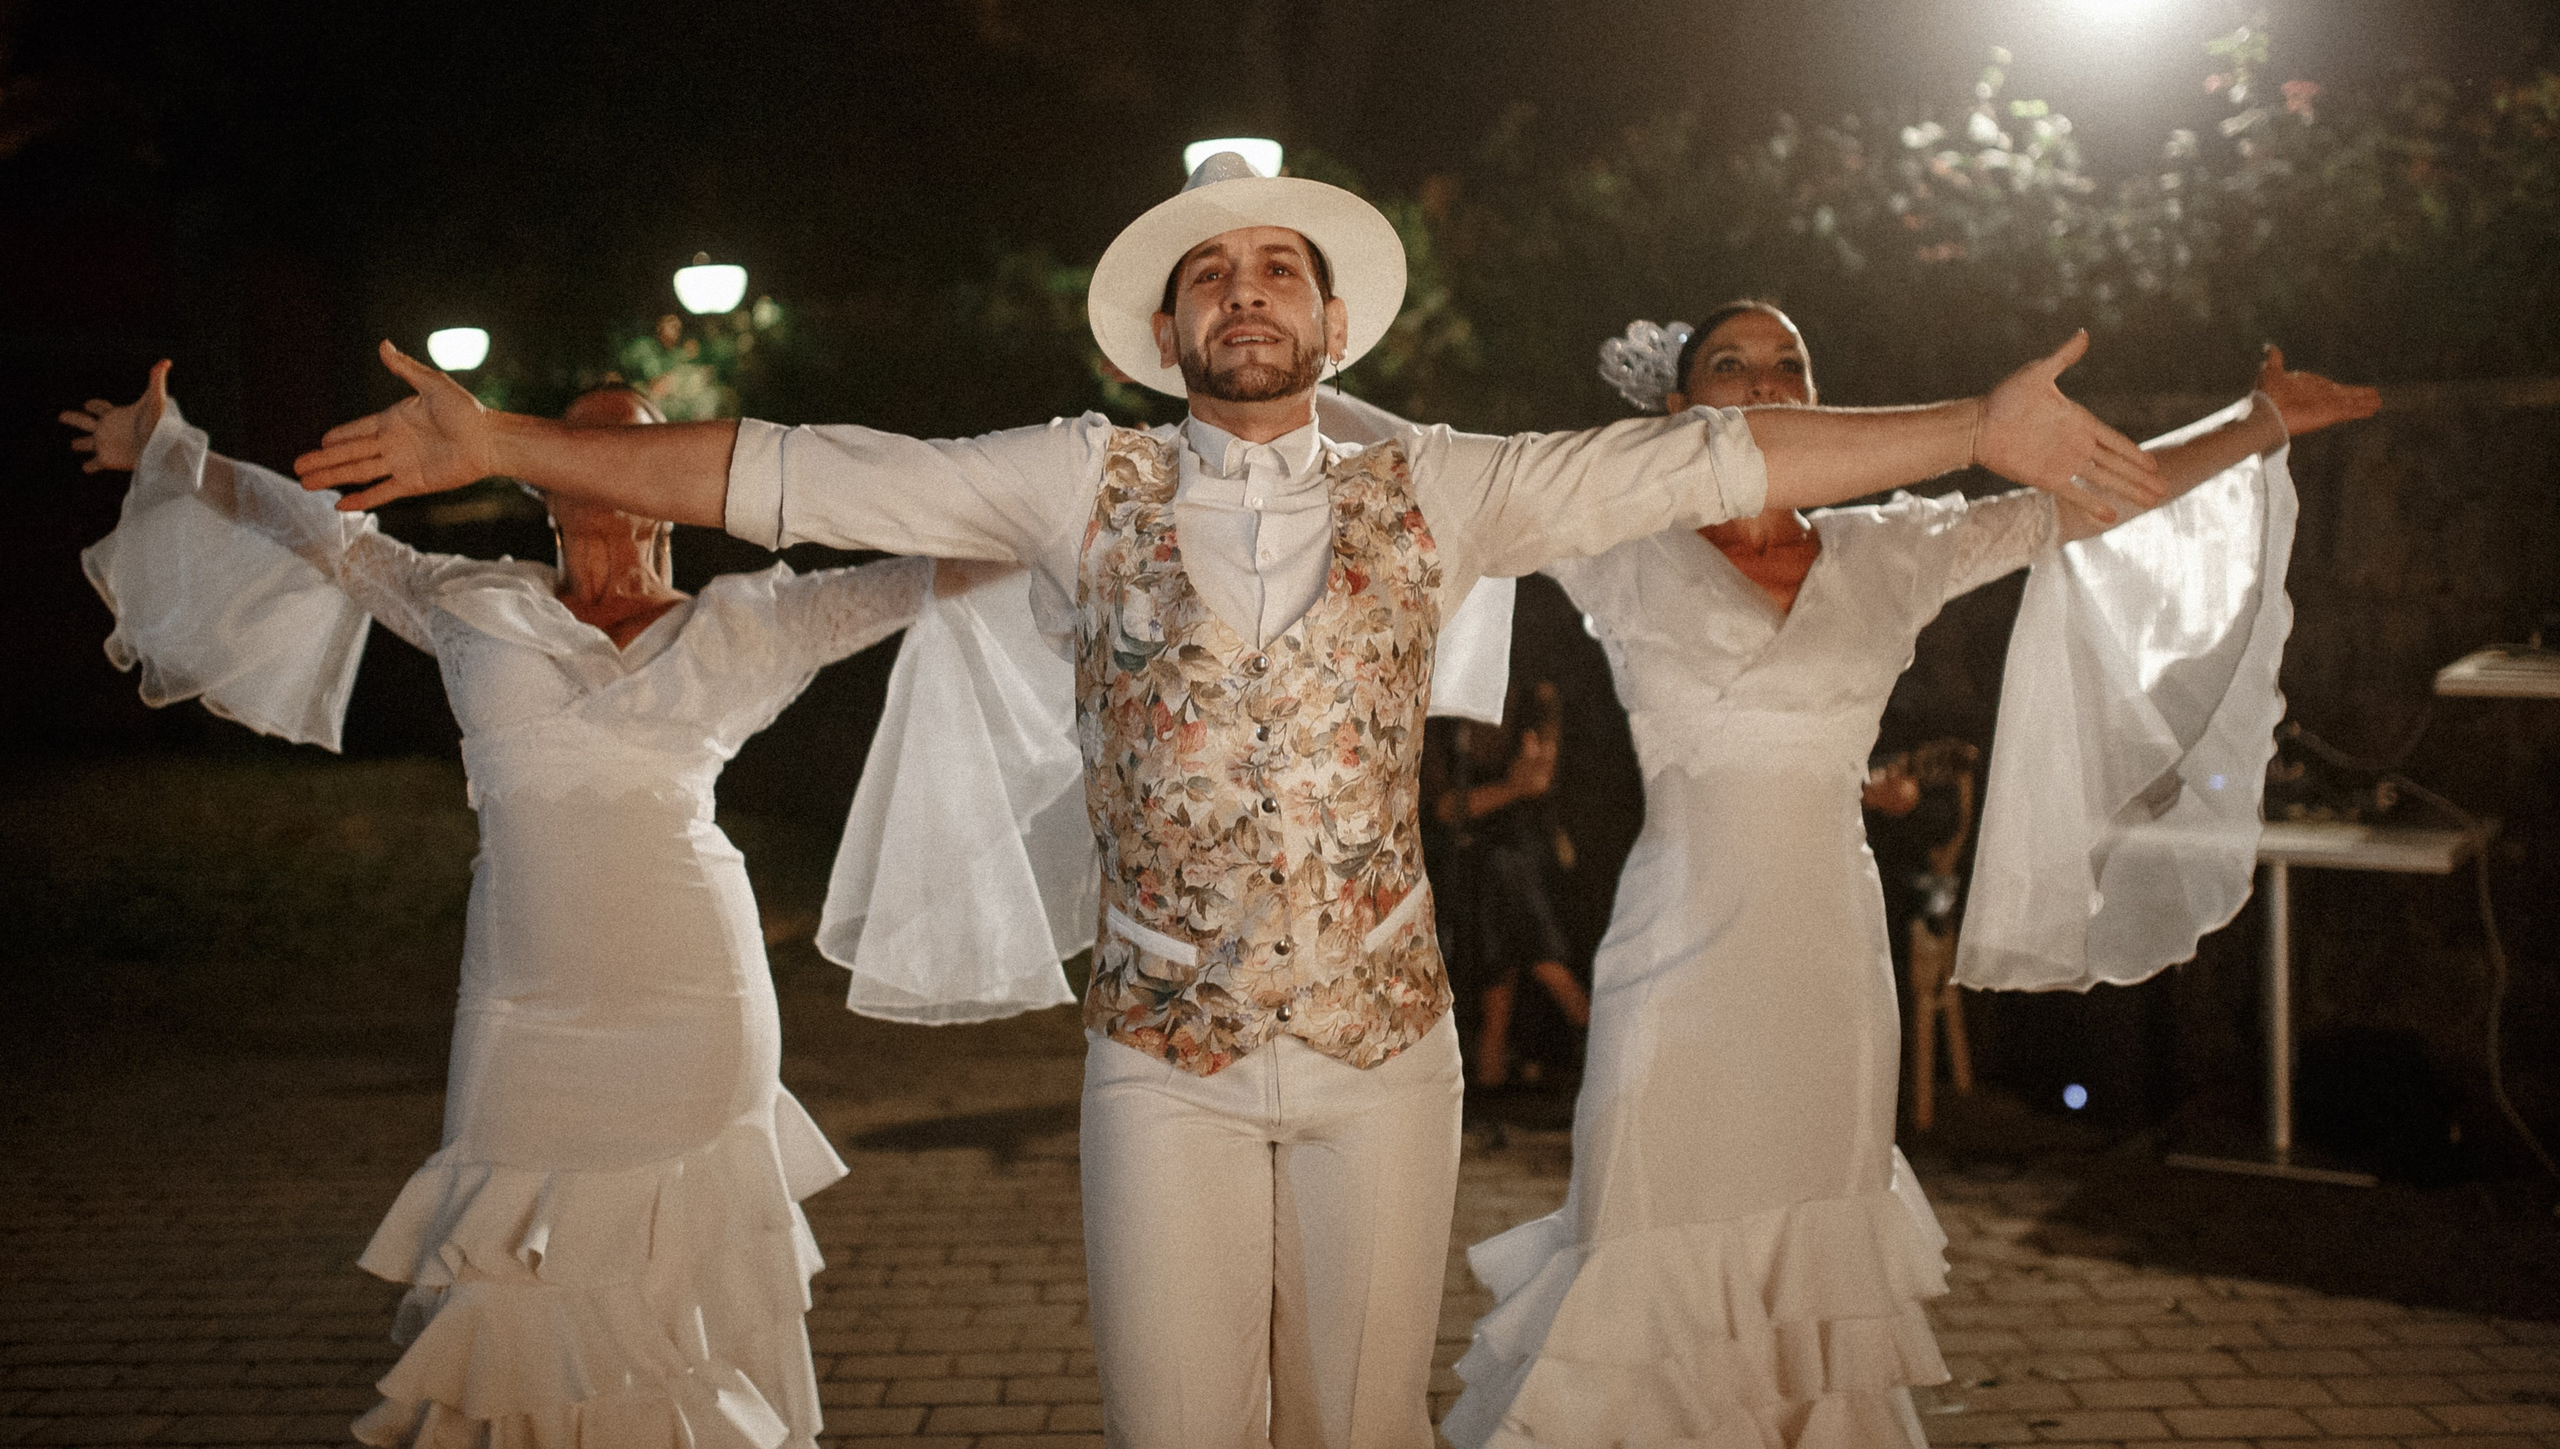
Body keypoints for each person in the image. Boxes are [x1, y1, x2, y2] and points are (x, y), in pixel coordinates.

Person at [288, 153, 2163, 1449]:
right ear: (1164, 331)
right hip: (1163, 1054)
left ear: (1332, 329)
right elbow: (794, 473)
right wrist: (501, 442)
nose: (1245, 292)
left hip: (1381, 1046)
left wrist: (1968, 433)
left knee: (1354, 1424)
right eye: (1212, 274)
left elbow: (1722, 447)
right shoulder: (1062, 480)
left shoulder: (1448, 492)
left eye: (1279, 272)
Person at [1440, 303, 2378, 1449]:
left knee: (1811, 1247)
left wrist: (2258, 421)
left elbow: (2089, 500)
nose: (1768, 382)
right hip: (1674, 954)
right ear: (1679, 410)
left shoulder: (1891, 546)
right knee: (1644, 1220)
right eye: (1730, 366)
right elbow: (1427, 469)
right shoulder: (1613, 545)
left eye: (1792, 362)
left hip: (1830, 961)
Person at [65, 360, 960, 1449]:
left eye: (638, 444)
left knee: (673, 1281)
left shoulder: (758, 621)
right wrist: (167, 449)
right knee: (507, 1282)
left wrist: (1093, 501)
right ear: (539, 475)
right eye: (581, 443)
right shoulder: (463, 600)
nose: (614, 467)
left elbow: (938, 569)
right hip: (525, 1001)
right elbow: (314, 531)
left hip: (697, 996)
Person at [1425, 682, 1592, 1088]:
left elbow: (1539, 781)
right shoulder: (1440, 710)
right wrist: (1512, 789)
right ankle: (1494, 1081)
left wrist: (1502, 793)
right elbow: (1444, 808)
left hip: (1523, 851)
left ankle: (1497, 1056)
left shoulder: (1536, 697)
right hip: (1465, 856)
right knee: (1494, 963)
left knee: (1534, 945)